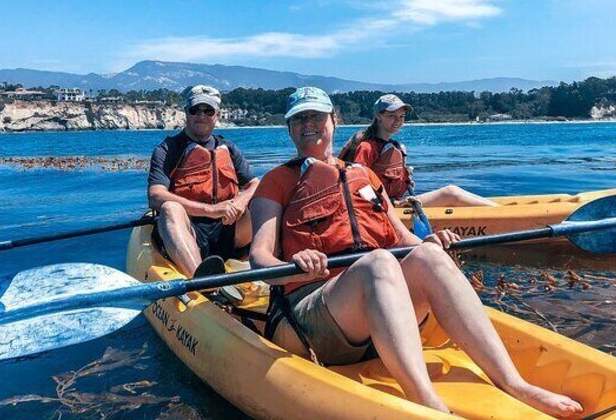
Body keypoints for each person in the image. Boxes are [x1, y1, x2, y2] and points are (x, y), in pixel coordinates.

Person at [249, 87, 581, 417]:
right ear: (289, 128)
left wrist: (432, 243)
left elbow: (404, 238)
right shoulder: (277, 182)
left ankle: (513, 383)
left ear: (334, 120)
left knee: (428, 257)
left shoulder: (363, 176)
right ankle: (427, 404)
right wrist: (294, 264)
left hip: (373, 316)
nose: (309, 125)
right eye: (299, 119)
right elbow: (259, 257)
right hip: (309, 316)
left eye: (316, 116)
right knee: (378, 261)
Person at [148, 84, 259, 277]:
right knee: (169, 208)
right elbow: (156, 195)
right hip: (191, 230)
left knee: (260, 201)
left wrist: (240, 201)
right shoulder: (167, 149)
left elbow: (255, 184)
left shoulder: (229, 148)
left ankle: (264, 265)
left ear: (217, 114)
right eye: (195, 110)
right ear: (186, 113)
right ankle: (202, 282)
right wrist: (211, 210)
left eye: (208, 110)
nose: (201, 115)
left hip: (229, 230)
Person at [339, 93, 498, 207]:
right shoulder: (367, 147)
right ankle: (503, 216)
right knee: (450, 193)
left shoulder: (392, 145)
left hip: (396, 204)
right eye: (392, 116)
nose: (398, 121)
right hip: (386, 209)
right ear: (378, 117)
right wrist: (384, 205)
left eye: (401, 117)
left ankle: (500, 209)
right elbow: (357, 186)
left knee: (454, 189)